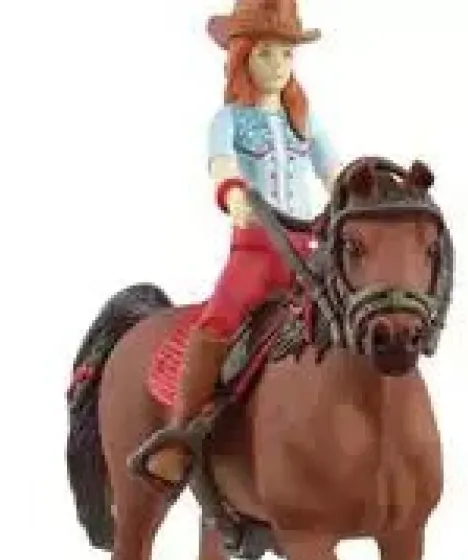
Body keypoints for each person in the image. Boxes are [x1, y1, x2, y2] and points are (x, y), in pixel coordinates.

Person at [132, 0, 342, 490]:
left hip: (308, 247)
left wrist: (352, 195)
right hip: (256, 247)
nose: (278, 65)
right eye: (266, 54)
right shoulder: (227, 120)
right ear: (242, 57)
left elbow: (333, 170)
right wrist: (234, 196)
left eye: (286, 55)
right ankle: (180, 432)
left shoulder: (305, 121)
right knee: (220, 319)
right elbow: (222, 166)